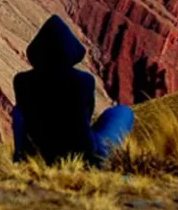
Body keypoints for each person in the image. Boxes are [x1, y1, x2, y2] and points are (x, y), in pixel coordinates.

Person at [11, 15, 134, 165]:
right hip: (86, 156)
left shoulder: (21, 81)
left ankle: (21, 156)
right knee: (123, 112)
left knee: (18, 111)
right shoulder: (83, 81)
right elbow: (86, 116)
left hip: (42, 153)